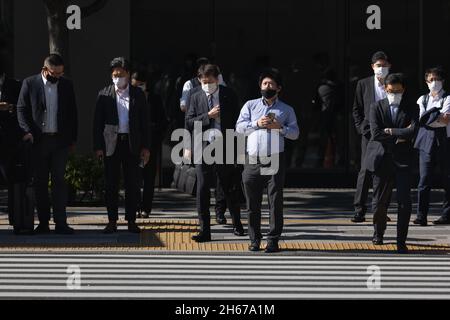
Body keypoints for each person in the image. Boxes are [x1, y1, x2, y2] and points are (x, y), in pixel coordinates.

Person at [236, 68, 299, 253]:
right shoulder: (250, 105)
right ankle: (254, 239)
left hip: (275, 158)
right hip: (253, 159)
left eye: (271, 84)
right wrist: (256, 124)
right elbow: (239, 128)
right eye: (264, 84)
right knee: (252, 202)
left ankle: (273, 239)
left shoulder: (286, 109)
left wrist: (280, 128)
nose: (267, 87)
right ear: (260, 86)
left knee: (275, 201)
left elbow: (295, 133)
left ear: (278, 88)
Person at [16, 54, 78, 235]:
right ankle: (43, 222)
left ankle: (61, 222)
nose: (58, 76)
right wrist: (27, 131)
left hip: (60, 141)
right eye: (54, 73)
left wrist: (72, 139)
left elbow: (73, 112)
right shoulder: (30, 83)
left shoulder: (66, 84)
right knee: (41, 182)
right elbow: (21, 109)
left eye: (61, 73)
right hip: (38, 140)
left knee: (59, 181)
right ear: (45, 70)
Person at [185, 64, 245, 242]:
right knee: (202, 188)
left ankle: (237, 223)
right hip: (203, 145)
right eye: (204, 82)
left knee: (228, 186)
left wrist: (239, 150)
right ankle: (205, 230)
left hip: (225, 144)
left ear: (217, 79)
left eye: (210, 82)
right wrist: (208, 116)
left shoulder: (229, 94)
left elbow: (239, 123)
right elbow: (188, 121)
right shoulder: (194, 95)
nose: (207, 85)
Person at [93, 57, 150, 234]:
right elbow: (97, 123)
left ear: (128, 74)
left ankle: (131, 220)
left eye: (121, 74)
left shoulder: (138, 94)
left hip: (131, 143)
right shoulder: (104, 94)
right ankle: (112, 220)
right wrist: (98, 147)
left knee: (132, 184)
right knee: (111, 184)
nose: (118, 78)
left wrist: (146, 147)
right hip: (112, 143)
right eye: (115, 75)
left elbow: (144, 122)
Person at [364, 73, 418, 254]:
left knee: (404, 201)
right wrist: (399, 136)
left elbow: (413, 131)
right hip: (381, 159)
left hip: (403, 160)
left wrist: (392, 131)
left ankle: (401, 240)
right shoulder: (376, 107)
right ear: (385, 90)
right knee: (379, 202)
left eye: (398, 91)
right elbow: (376, 133)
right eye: (390, 91)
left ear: (403, 90)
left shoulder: (411, 107)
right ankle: (378, 232)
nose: (394, 93)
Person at [352, 51, 392, 223]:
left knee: (385, 172)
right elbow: (357, 109)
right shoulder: (364, 84)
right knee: (365, 170)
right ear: (372, 67)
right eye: (378, 65)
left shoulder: (393, 82)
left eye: (384, 65)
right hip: (369, 133)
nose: (381, 69)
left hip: (388, 132)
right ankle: (359, 210)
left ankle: (381, 209)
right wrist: (361, 128)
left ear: (389, 66)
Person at [414, 67, 450, 225]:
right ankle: (421, 216)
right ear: (426, 82)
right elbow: (422, 119)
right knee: (424, 179)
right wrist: (437, 115)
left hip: (445, 140)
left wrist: (432, 116)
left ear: (443, 81)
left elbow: (446, 119)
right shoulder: (422, 99)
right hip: (426, 140)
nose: (434, 83)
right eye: (431, 80)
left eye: (437, 79)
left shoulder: (448, 98)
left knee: (447, 179)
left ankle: (447, 214)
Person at [131, 70, 168, 218]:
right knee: (133, 177)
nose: (139, 87)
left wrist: (155, 135)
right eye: (135, 85)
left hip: (151, 143)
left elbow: (163, 122)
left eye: (141, 84)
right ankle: (134, 206)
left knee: (149, 178)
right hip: (133, 144)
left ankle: (146, 207)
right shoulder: (129, 97)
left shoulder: (155, 99)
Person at [0, 72, 23, 225]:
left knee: (11, 179)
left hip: (8, 141)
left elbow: (23, 108)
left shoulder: (15, 85)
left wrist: (9, 107)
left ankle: (15, 217)